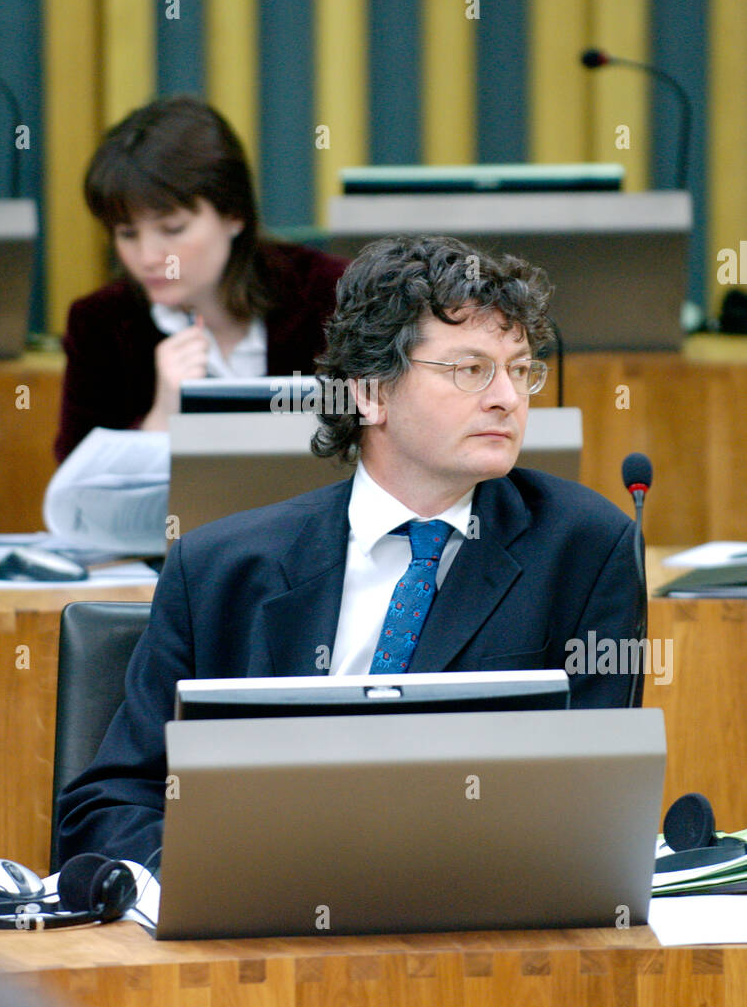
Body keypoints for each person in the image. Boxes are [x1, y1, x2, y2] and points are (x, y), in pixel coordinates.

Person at [57, 235, 641, 867]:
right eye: (471, 370)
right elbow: (111, 804)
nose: (507, 397)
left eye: (521, 369)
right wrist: (217, 878)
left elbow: (592, 806)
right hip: (256, 927)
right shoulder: (218, 568)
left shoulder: (586, 549)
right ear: (370, 393)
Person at [54, 94, 348, 461]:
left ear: (234, 214)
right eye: (127, 234)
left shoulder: (331, 295)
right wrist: (161, 417)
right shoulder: (100, 323)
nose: (147, 258)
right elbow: (81, 500)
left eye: (173, 229)